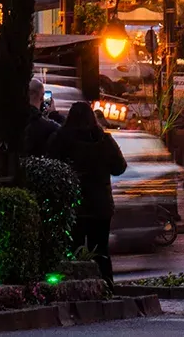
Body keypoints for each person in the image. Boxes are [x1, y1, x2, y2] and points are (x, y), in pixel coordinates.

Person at [45, 102, 127, 286]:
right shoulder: (103, 139)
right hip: (100, 206)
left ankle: (76, 287)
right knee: (101, 251)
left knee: (74, 249)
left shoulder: (60, 139)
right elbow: (119, 167)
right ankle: (106, 287)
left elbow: (50, 166)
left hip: (74, 205)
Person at [25, 78, 60, 157]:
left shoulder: (14, 119)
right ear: (42, 97)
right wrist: (54, 114)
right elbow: (63, 131)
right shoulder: (47, 125)